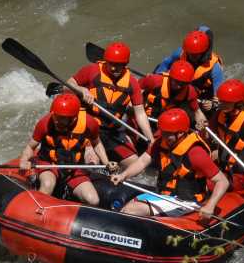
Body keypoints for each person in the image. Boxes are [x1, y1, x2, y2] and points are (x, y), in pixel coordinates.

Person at [109, 109, 229, 221]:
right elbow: (143, 161)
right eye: (163, 132)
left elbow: (223, 181)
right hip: (165, 196)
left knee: (132, 210)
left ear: (181, 133)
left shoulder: (195, 153)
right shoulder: (161, 142)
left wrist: (210, 205)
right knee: (126, 208)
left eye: (168, 134)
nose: (164, 136)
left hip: (186, 201)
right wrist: (123, 175)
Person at [66, 41, 154, 169]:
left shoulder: (132, 83)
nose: (114, 68)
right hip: (88, 129)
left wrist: (151, 139)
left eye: (119, 65)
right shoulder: (92, 70)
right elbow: (68, 85)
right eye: (111, 64)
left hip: (111, 132)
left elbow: (140, 113)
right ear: (106, 61)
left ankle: (113, 169)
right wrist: (81, 89)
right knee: (93, 161)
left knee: (135, 164)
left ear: (125, 64)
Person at [19, 93, 117, 205]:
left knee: (93, 200)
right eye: (56, 116)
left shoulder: (89, 123)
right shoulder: (45, 123)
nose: (57, 121)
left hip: (74, 167)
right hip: (49, 164)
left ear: (74, 118)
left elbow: (97, 143)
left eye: (62, 119)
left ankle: (67, 194)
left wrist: (106, 162)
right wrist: (24, 160)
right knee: (47, 184)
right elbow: (30, 146)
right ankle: (35, 208)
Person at [153, 26, 225, 108]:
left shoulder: (215, 69)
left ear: (204, 51)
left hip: (200, 95)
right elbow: (165, 64)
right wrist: (155, 78)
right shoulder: (181, 52)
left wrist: (211, 104)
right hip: (179, 85)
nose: (190, 56)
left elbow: (218, 99)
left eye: (195, 54)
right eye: (189, 52)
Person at [140, 60, 208, 130]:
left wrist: (203, 125)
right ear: (170, 77)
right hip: (146, 116)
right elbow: (136, 90)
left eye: (183, 84)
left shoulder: (190, 91)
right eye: (176, 82)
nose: (178, 86)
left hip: (166, 120)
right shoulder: (155, 80)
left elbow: (198, 112)